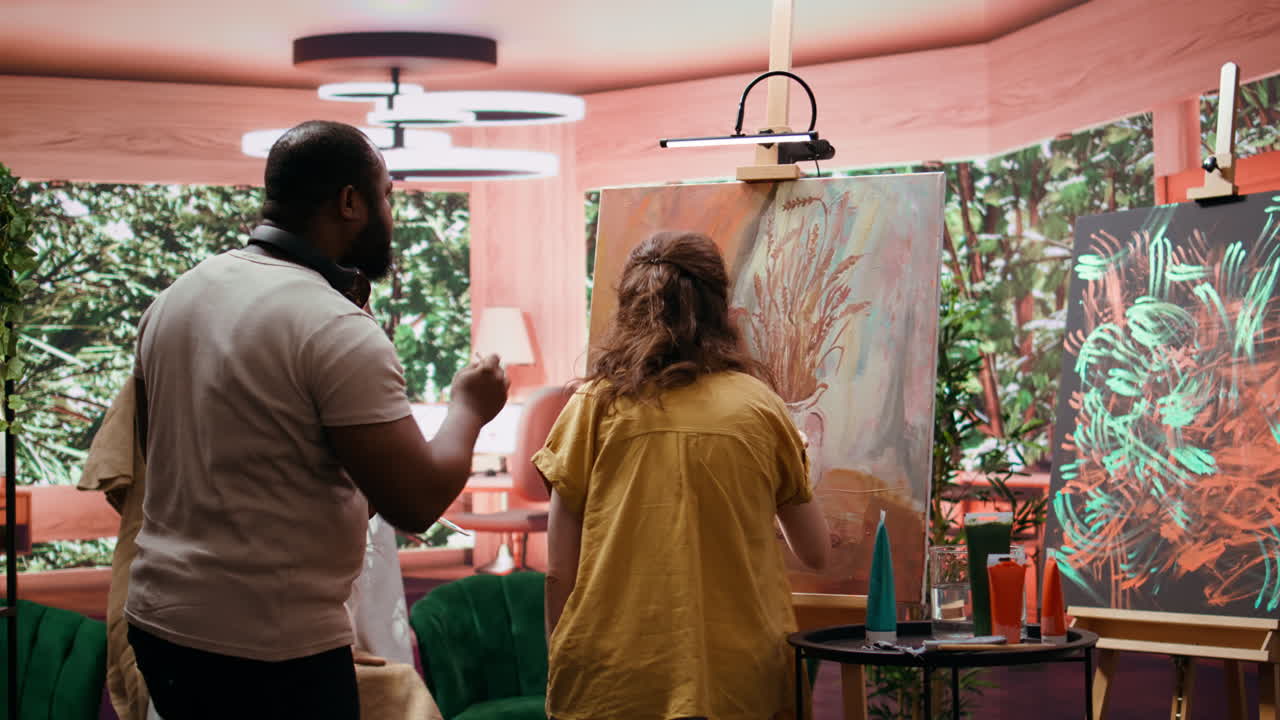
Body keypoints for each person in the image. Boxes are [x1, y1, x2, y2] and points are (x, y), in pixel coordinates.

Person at [125, 120, 509, 720]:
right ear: (349, 202)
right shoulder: (331, 325)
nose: (391, 213)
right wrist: (469, 408)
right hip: (271, 645)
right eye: (386, 195)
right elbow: (415, 504)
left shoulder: (177, 297)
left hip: (160, 622)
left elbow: (167, 454)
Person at [534, 230, 830, 720]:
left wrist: (563, 659)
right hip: (740, 676)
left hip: (613, 675)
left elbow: (557, 572)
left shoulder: (593, 405)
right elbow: (816, 553)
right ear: (720, 309)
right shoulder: (760, 407)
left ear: (628, 307)